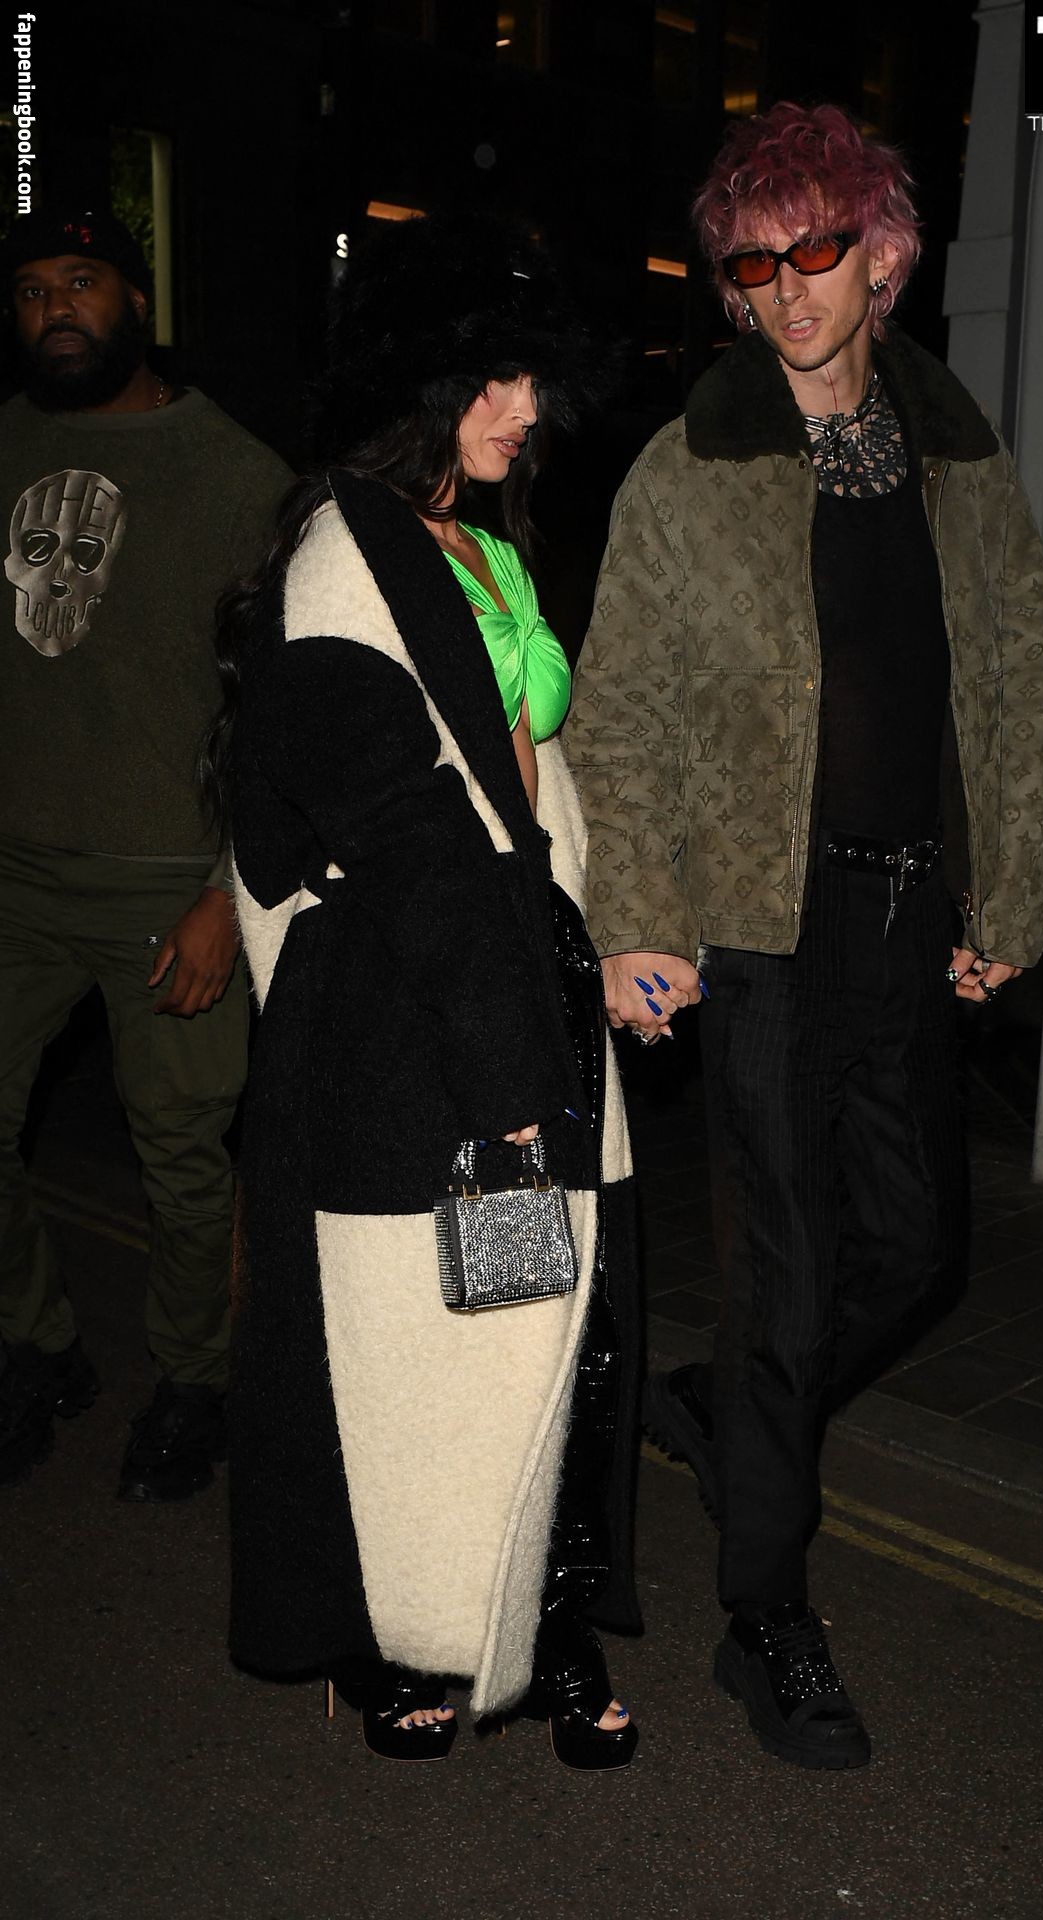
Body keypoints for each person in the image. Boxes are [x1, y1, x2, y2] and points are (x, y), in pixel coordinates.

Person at [563, 102, 1043, 1770]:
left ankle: (729, 1411)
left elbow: (1022, 674)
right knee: (783, 1277)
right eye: (755, 262)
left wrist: (1012, 890)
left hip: (910, 910)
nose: (788, 287)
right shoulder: (688, 467)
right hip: (757, 924)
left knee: (917, 1251)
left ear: (883, 256)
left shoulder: (959, 456)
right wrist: (639, 923)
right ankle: (763, 1612)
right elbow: (619, 712)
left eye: (819, 250)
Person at [218, 212, 641, 1768]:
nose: (524, 410)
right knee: (423, 1341)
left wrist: (607, 946)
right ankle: (394, 1630)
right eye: (494, 377)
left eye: (539, 383)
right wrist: (507, 1057)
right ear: (418, 380)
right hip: (414, 1010)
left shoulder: (488, 549)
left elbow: (537, 784)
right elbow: (402, 831)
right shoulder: (341, 554)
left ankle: (543, 1619)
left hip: (519, 969)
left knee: (559, 1324)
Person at [0, 207, 292, 1499]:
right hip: (13, 874)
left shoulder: (233, 473)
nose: (55, 309)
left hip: (168, 882)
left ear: (136, 300)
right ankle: (35, 1345)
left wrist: (229, 891)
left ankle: (194, 1381)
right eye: (31, 291)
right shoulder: (7, 441)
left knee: (182, 1160)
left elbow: (282, 712)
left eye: (82, 282)